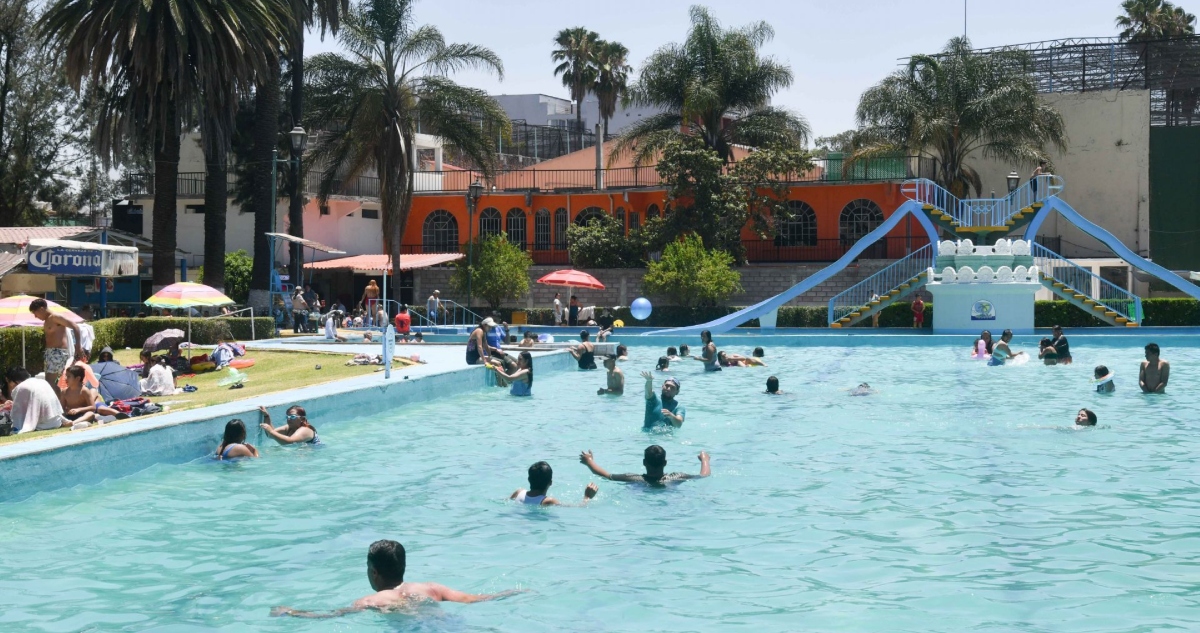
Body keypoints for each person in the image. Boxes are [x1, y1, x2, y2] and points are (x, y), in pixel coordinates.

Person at [271, 540, 523, 617]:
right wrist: (512, 592)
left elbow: (330, 615)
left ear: (374, 572)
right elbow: (474, 599)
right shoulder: (431, 588)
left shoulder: (370, 601)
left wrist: (291, 612)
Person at [28, 298, 84, 398]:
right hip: (50, 353)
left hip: (57, 353)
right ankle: (60, 401)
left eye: (35, 313)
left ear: (41, 309)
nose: (36, 316)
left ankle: (61, 402)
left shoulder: (55, 317)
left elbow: (75, 326)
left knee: (49, 383)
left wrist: (78, 346)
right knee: (49, 382)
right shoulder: (47, 320)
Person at [579, 445, 710, 486]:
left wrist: (589, 461)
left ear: (644, 463)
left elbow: (606, 476)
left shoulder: (633, 478)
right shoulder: (676, 477)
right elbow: (704, 475)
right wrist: (705, 460)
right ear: (665, 463)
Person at [4, 366, 66, 433]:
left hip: (42, 425)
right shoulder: (43, 382)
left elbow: (18, 414)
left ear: (14, 381)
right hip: (56, 422)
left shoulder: (21, 387)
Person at [511, 461, 598, 506]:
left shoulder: (519, 492)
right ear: (550, 482)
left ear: (529, 479)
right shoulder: (548, 501)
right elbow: (579, 507)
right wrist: (587, 497)